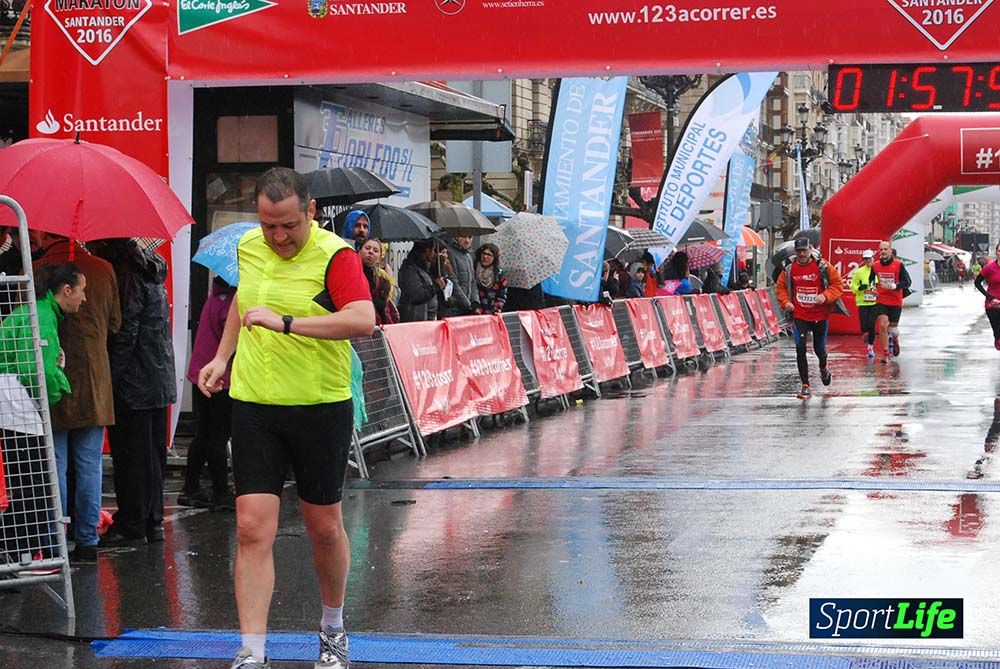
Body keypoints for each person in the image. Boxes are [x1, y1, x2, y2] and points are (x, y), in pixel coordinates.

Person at [198, 167, 375, 669]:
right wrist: (222, 357)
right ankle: (252, 651)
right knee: (252, 528)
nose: (277, 237)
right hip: (255, 404)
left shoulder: (336, 255)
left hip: (319, 405)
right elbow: (241, 303)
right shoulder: (250, 247)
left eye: (288, 226)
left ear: (310, 212)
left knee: (323, 527)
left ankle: (333, 629)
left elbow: (363, 320)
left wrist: (289, 323)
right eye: (268, 225)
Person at [28, 231, 121, 563]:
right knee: (89, 465)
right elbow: (115, 324)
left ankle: (56, 541)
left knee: (56, 464)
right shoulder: (103, 269)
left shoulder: (39, 269)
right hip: (95, 381)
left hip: (53, 379)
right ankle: (87, 542)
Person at [94, 238, 177, 547]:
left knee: (131, 457)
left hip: (134, 382)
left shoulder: (126, 276)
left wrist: (110, 379)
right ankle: (153, 521)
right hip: (158, 377)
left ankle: (132, 522)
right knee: (153, 457)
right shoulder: (152, 271)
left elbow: (126, 332)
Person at [0, 263, 83, 562]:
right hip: (17, 409)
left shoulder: (36, 312)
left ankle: (17, 555)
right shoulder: (44, 317)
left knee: (23, 486)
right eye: (82, 291)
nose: (84, 299)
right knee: (32, 489)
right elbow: (38, 372)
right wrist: (57, 390)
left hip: (10, 404)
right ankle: (16, 554)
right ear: (67, 290)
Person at [180, 276, 237, 511]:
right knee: (217, 435)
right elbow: (234, 339)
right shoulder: (231, 302)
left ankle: (191, 487)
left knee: (204, 432)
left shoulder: (214, 296)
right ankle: (220, 492)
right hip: (219, 378)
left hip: (201, 372)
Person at [775, 237, 844, 400]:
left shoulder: (823, 266)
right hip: (800, 315)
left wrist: (825, 296)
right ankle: (805, 385)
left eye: (804, 250)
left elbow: (838, 285)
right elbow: (781, 288)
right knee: (800, 349)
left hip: (820, 315)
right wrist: (786, 303)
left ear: (810, 249)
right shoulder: (789, 269)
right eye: (798, 251)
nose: (801, 254)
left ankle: (823, 368)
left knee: (819, 350)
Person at [874, 240, 911, 364]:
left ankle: (895, 340)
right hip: (881, 299)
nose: (883, 252)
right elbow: (871, 281)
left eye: (885, 249)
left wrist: (894, 286)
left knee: (893, 329)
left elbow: (907, 282)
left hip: (895, 300)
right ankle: (885, 353)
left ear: (890, 251)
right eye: (881, 250)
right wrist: (871, 289)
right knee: (883, 325)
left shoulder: (898, 265)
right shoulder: (875, 265)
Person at [398, 240, 444, 322]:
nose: (434, 254)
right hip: (415, 320)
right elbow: (417, 295)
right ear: (427, 251)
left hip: (425, 320)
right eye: (433, 250)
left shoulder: (423, 268)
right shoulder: (410, 270)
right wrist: (436, 286)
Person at [359, 238, 398, 325]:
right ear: (359, 251)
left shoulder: (383, 280)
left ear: (380, 258)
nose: (371, 252)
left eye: (375, 250)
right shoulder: (352, 272)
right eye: (367, 248)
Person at [850, 249, 880, 359]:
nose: (868, 260)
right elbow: (852, 286)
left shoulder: (878, 270)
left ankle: (870, 348)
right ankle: (866, 333)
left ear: (873, 258)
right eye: (865, 259)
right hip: (862, 302)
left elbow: (882, 285)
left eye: (869, 258)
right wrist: (859, 288)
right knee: (864, 326)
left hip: (874, 302)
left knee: (871, 325)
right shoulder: (859, 272)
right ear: (863, 260)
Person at [441, 235, 477, 318]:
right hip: (453, 308)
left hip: (466, 308)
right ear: (456, 237)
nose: (467, 241)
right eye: (464, 237)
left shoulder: (468, 256)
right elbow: (452, 282)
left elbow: (472, 282)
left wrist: (475, 302)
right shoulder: (449, 253)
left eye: (470, 237)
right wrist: (468, 305)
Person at [975, 243, 1000, 350]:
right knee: (998, 331)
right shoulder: (989, 268)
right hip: (993, 304)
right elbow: (977, 283)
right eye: (999, 251)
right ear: (996, 252)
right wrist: (989, 296)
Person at [473, 243, 507, 315]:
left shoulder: (499, 273)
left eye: (489, 255)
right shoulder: (472, 269)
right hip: (474, 311)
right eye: (484, 253)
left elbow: (502, 295)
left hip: (491, 313)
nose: (485, 257)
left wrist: (496, 310)